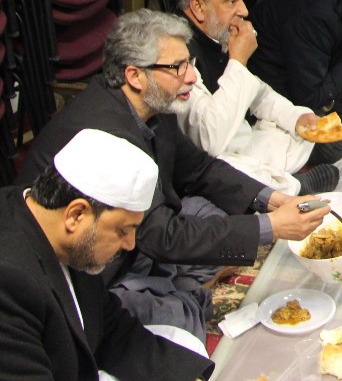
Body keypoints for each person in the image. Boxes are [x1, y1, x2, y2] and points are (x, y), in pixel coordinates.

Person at [17, 10, 330, 340]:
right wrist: (272, 227)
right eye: (178, 67)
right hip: (93, 267)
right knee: (178, 320)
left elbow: (198, 168)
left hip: (139, 239)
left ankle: (175, 285)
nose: (192, 77)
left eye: (189, 63)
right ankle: (181, 295)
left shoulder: (151, 103)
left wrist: (272, 199)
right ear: (135, 76)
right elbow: (157, 235)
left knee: (211, 214)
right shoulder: (106, 131)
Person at [2, 129, 215, 381]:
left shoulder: (57, 228)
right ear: (76, 215)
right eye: (122, 230)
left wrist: (189, 376)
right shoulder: (10, 278)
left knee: (185, 343)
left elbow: (107, 326)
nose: (130, 244)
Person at [176, 0, 342, 193]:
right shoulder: (179, 55)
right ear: (199, 7)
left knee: (327, 138)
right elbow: (210, 139)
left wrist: (295, 117)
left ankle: (285, 177)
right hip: (210, 156)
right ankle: (292, 186)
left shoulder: (214, 31)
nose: (244, 10)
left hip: (240, 137)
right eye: (231, 1)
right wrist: (238, 61)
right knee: (227, 172)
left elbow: (257, 92)